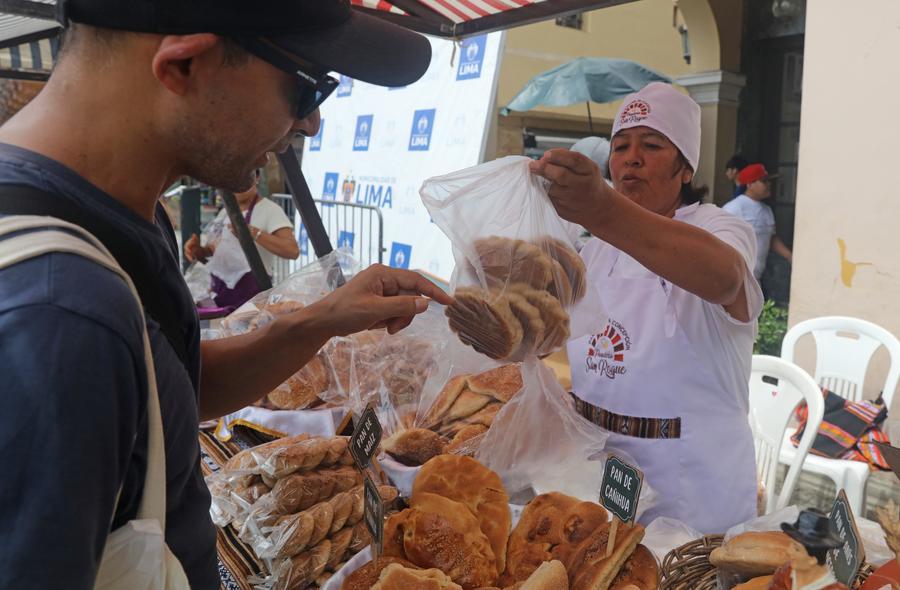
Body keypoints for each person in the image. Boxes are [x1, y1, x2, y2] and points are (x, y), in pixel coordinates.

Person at [0, 2, 448, 588]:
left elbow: (168, 392)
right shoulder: (60, 315)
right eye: (307, 89)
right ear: (185, 65)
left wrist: (320, 320)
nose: (310, 125)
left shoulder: (117, 210)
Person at [530, 82, 763, 534]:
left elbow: (725, 276)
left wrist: (603, 209)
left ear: (685, 169)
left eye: (652, 145)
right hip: (599, 488)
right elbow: (549, 337)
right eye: (620, 146)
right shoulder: (594, 250)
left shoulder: (719, 226)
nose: (631, 158)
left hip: (693, 496)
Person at [185, 169, 300, 309]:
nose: (239, 184)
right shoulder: (224, 211)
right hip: (220, 296)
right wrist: (199, 251)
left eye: (245, 177)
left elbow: (292, 250)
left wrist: (251, 232)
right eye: (233, 179)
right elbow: (215, 251)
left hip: (253, 300)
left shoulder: (270, 210)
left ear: (257, 178)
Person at [723, 162, 793, 281]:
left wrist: (789, 256)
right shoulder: (734, 208)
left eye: (768, 181)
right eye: (764, 181)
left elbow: (771, 238)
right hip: (735, 279)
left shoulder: (767, 210)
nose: (769, 184)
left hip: (756, 279)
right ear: (750, 184)